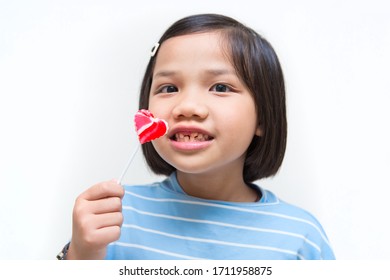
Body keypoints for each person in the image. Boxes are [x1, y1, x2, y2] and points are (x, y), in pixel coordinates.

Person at [59, 13, 335, 260]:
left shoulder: (300, 237)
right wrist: (83, 255)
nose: (187, 107)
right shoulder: (114, 217)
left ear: (262, 117)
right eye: (168, 88)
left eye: (220, 87)